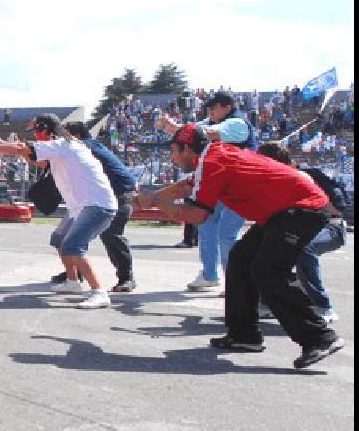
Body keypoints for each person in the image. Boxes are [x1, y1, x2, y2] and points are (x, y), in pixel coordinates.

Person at [136, 124, 344, 368]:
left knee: (268, 272)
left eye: (173, 151)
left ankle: (320, 337)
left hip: (300, 210)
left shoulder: (213, 161)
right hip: (281, 212)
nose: (172, 157)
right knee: (241, 259)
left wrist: (157, 204)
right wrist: (154, 196)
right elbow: (188, 186)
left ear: (187, 149)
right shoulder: (213, 157)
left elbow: (197, 215)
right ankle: (244, 335)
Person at [0, 113, 118, 309]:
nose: (35, 136)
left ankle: (99, 292)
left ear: (45, 130)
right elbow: (39, 162)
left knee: (73, 245)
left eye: (36, 131)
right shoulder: (62, 146)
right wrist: (13, 150)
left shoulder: (63, 144)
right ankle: (73, 283)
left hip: (96, 205)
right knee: (59, 239)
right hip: (82, 207)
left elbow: (24, 148)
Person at [156, 91, 257, 292]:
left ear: (227, 107)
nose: (209, 112)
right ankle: (210, 274)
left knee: (227, 233)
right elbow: (193, 133)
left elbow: (204, 133)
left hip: (242, 185)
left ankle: (235, 282)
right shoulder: (217, 122)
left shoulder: (236, 123)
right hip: (224, 185)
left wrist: (176, 128)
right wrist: (172, 128)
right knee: (207, 224)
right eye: (208, 109)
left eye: (213, 108)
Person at [257, 142, 348, 324]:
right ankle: (269, 301)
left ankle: (323, 306)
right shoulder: (274, 179)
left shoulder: (303, 176)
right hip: (299, 227)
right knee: (259, 249)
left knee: (305, 249)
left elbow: (334, 210)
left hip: (330, 226)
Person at [51, 121, 137, 292]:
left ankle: (127, 278)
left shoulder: (85, 147)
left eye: (64, 135)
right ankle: (74, 273)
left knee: (112, 236)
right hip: (95, 199)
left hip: (118, 196)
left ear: (76, 136)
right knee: (69, 235)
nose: (61, 140)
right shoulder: (86, 147)